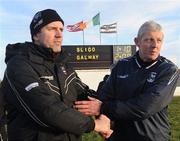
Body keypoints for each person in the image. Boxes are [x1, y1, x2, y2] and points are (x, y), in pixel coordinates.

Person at [0, 9, 111, 141]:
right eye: (52, 29)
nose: (59, 35)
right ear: (36, 35)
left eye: (61, 29)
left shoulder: (63, 66)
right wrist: (94, 125)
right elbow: (46, 110)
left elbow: (86, 95)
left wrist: (102, 110)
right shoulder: (18, 65)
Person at [75, 20, 179, 141]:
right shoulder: (122, 66)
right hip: (120, 136)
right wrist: (103, 120)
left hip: (153, 137)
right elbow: (105, 95)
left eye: (159, 40)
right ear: (137, 42)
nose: (155, 45)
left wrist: (103, 108)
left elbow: (146, 107)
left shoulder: (168, 70)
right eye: (149, 39)